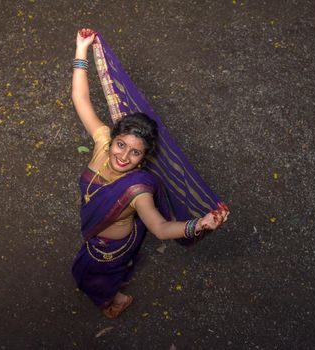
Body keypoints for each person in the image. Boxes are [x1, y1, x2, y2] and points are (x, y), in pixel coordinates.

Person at [71, 28, 229, 319]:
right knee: (84, 273)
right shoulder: (102, 141)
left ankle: (114, 301)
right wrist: (82, 50)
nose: (123, 156)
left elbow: (159, 228)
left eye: (135, 152)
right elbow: (80, 99)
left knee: (100, 283)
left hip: (112, 250)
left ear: (144, 157)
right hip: (94, 238)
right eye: (121, 145)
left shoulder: (139, 190)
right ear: (113, 137)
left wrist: (200, 224)